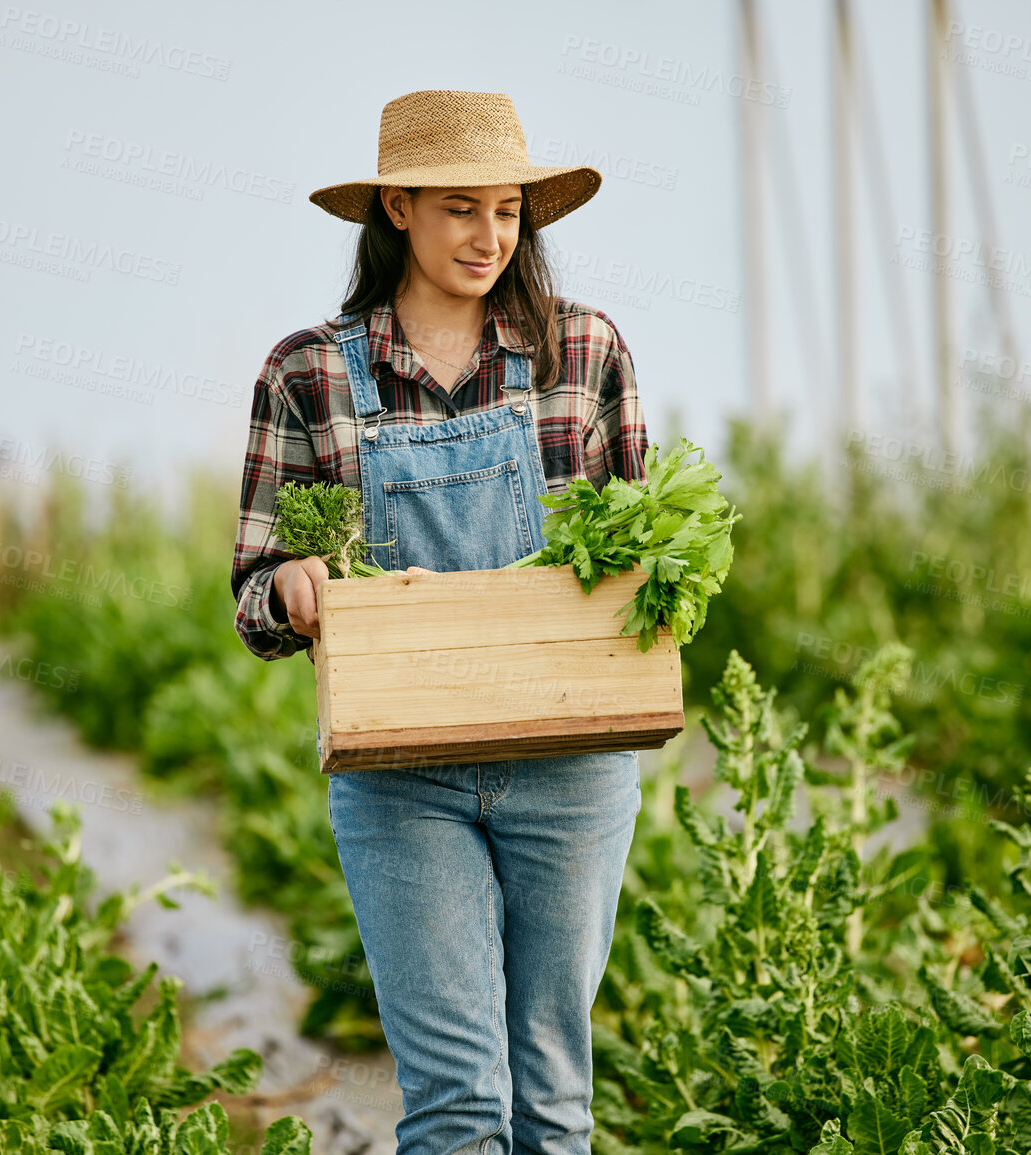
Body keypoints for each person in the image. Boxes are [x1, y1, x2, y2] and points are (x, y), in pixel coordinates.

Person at [229, 89, 649, 1155]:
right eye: (460, 208)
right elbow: (252, 588)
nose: (489, 236)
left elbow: (643, 555)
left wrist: (652, 574)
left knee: (553, 1100)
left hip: (570, 761)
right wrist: (288, 588)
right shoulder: (308, 373)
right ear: (398, 212)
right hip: (398, 771)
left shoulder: (584, 354)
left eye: (507, 210)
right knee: (458, 1104)